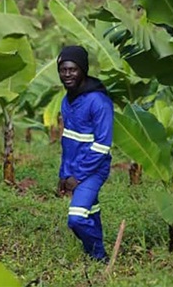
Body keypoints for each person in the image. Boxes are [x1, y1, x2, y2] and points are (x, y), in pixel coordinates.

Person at [56, 45, 114, 262]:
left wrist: (77, 176)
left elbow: (102, 145)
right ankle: (96, 258)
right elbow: (68, 143)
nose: (67, 74)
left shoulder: (99, 102)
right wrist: (64, 175)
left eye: (73, 69)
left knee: (77, 218)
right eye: (63, 70)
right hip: (74, 169)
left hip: (94, 169)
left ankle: (99, 255)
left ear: (83, 70)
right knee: (92, 209)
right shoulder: (66, 100)